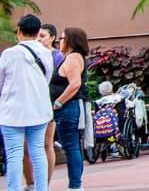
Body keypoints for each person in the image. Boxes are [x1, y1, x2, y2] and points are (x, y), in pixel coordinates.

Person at [0, 15, 53, 191]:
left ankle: (14, 188)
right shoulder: (46, 53)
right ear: (38, 32)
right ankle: (42, 188)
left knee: (14, 153)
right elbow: (46, 78)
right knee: (38, 151)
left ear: (19, 31)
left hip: (11, 112)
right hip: (39, 109)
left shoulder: (9, 54)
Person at [22, 24, 63, 190]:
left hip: (48, 104)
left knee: (47, 143)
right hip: (29, 104)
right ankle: (30, 183)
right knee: (24, 145)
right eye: (37, 36)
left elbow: (61, 81)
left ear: (52, 38)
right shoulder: (27, 54)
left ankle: (44, 184)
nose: (39, 39)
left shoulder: (57, 57)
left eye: (43, 36)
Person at [51, 26, 87, 191]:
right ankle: (76, 184)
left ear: (71, 41)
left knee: (71, 146)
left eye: (62, 38)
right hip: (67, 108)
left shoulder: (73, 58)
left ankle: (75, 185)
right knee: (71, 146)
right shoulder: (72, 57)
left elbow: (75, 84)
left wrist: (58, 102)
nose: (60, 41)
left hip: (67, 108)